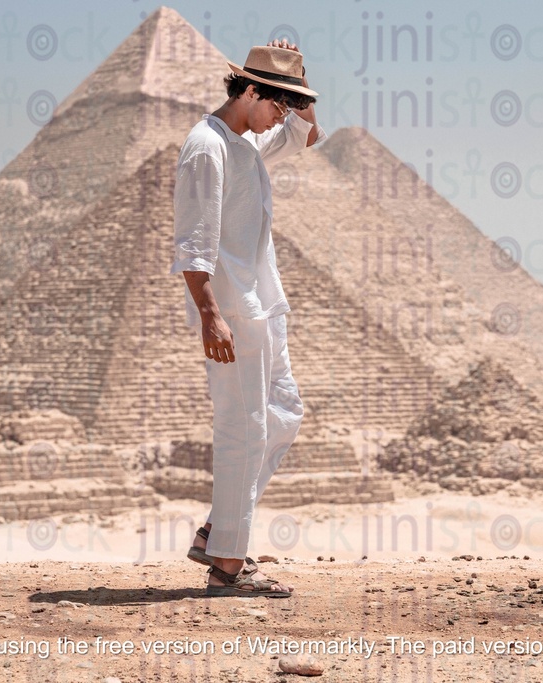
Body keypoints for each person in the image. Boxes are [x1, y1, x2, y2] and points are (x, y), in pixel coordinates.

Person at [170, 40, 323, 597]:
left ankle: (219, 530)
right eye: (277, 104)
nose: (282, 116)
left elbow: (307, 133)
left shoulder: (247, 145)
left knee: (282, 414)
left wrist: (298, 75)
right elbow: (192, 244)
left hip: (264, 305)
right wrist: (210, 316)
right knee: (244, 428)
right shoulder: (206, 148)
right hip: (234, 309)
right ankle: (229, 564)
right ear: (251, 91)